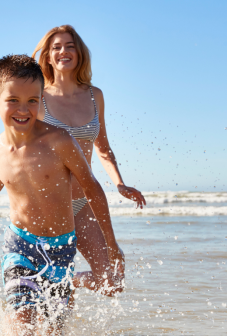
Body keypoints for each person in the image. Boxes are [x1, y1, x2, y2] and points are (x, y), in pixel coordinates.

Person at [0, 55, 123, 336]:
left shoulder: (59, 141)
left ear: (42, 99)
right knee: (23, 323)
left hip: (61, 248)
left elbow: (91, 188)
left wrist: (112, 245)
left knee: (53, 330)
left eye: (32, 101)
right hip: (20, 246)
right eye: (13, 100)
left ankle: (70, 284)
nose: (23, 109)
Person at [32, 25, 146, 294]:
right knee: (47, 306)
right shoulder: (37, 98)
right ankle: (53, 285)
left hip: (83, 203)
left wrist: (119, 184)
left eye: (70, 46)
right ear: (47, 56)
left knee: (111, 281)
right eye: (56, 47)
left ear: (79, 53)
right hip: (46, 204)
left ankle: (65, 283)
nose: (63, 52)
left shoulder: (95, 96)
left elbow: (103, 148)